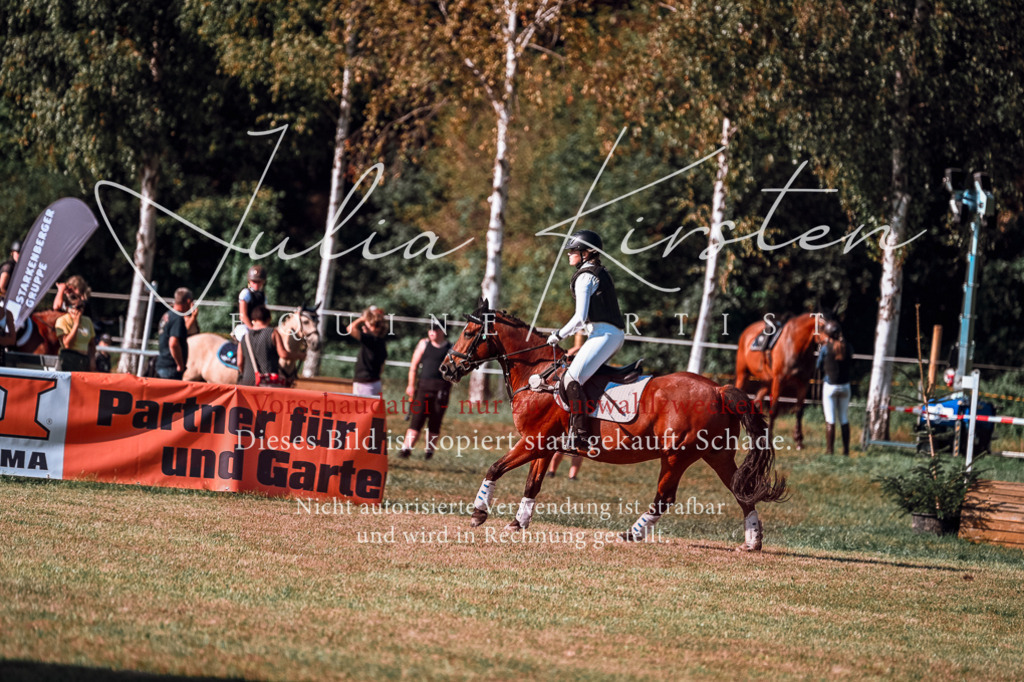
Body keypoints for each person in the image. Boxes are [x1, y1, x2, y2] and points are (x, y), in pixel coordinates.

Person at [547, 230, 625, 453]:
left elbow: (580, 318)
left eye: (573, 250)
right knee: (579, 375)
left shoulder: (585, 276)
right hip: (606, 334)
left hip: (604, 335)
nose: (569, 254)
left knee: (571, 378)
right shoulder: (596, 272)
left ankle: (580, 435)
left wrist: (558, 335)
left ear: (587, 252)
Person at [399, 322, 452, 459]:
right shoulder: (424, 344)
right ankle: (405, 450)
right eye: (430, 330)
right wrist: (411, 385)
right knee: (416, 419)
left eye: (435, 330)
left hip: (441, 389)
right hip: (423, 387)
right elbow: (414, 366)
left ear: (442, 331)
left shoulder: (450, 348)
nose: (431, 332)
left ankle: (429, 452)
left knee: (435, 421)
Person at [237, 304, 300, 387]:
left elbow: (239, 362)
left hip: (247, 382)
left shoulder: (244, 337)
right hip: (268, 382)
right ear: (269, 319)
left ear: (253, 320)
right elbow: (283, 354)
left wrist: (245, 374)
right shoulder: (272, 333)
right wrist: (301, 355)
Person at [817, 319, 854, 455]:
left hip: (830, 386)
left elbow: (818, 365)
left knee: (830, 419)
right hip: (845, 386)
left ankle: (830, 450)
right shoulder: (848, 347)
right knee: (844, 418)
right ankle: (846, 450)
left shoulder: (825, 348)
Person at [54, 276, 96, 371]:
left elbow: (92, 344)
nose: (80, 310)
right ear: (69, 308)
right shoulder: (63, 320)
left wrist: (92, 360)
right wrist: (61, 290)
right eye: (77, 308)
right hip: (69, 360)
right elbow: (67, 344)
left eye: (81, 307)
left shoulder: (87, 317)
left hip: (84, 359)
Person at [347, 306, 388, 397]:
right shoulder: (381, 342)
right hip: (376, 382)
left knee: (361, 406)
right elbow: (381, 368)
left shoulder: (370, 339)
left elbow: (350, 328)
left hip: (364, 384)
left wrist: (362, 319)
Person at [154, 288, 194, 380]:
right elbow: (173, 343)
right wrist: (180, 364)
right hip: (171, 367)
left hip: (162, 364)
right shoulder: (178, 318)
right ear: (188, 301)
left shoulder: (167, 315)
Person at [233, 265, 267, 340]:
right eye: (254, 281)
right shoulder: (245, 293)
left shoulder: (263, 296)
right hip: (244, 326)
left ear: (263, 282)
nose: (256, 284)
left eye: (259, 282)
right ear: (249, 281)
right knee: (247, 339)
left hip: (258, 327)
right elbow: (243, 316)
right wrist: (252, 328)